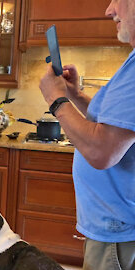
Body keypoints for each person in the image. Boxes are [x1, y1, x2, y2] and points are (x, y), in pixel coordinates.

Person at [38, 1, 135, 269]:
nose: (109, 10)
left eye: (119, 0)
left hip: (119, 236)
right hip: (117, 232)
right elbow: (114, 122)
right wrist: (76, 95)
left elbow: (100, 151)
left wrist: (56, 100)